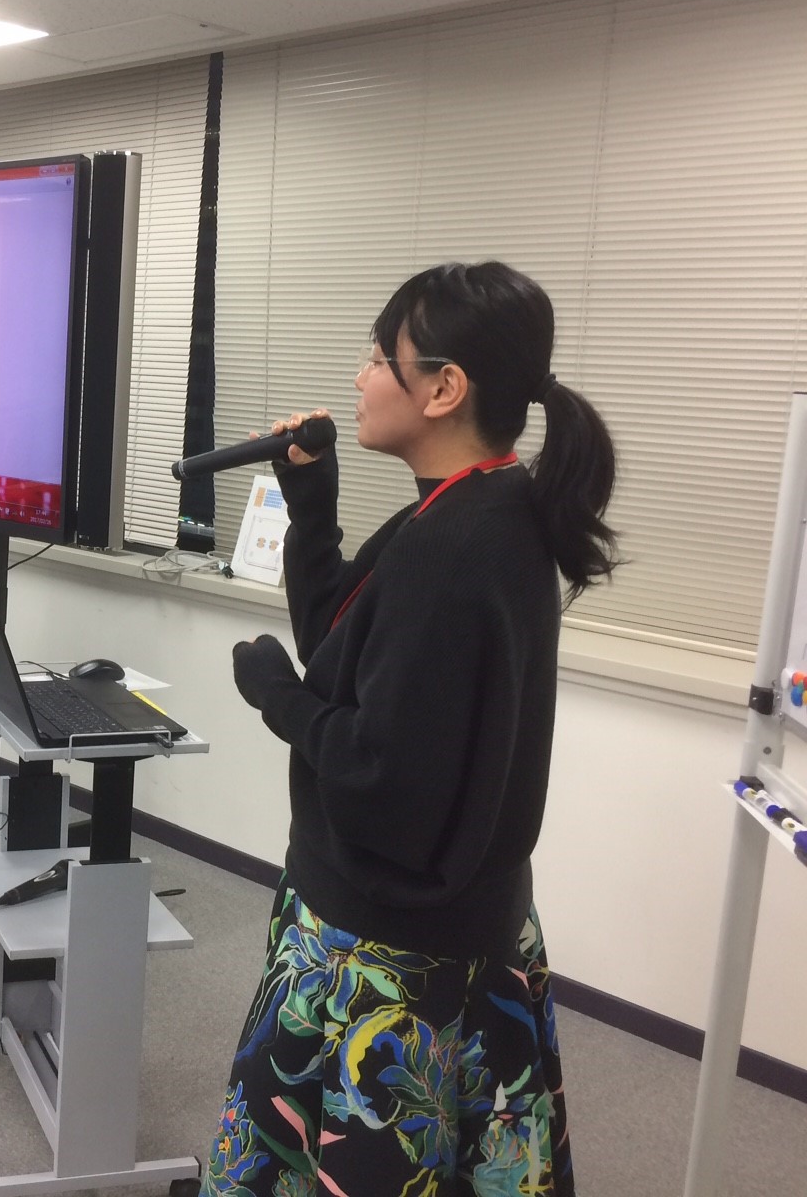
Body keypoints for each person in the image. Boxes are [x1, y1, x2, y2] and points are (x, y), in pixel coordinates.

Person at [204, 262, 619, 1195]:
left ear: (443, 388)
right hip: (457, 927)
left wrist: (276, 695)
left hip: (389, 961)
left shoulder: (456, 543)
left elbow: (378, 778)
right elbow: (343, 646)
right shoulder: (479, 504)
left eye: (379, 359)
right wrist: (311, 500)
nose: (360, 378)